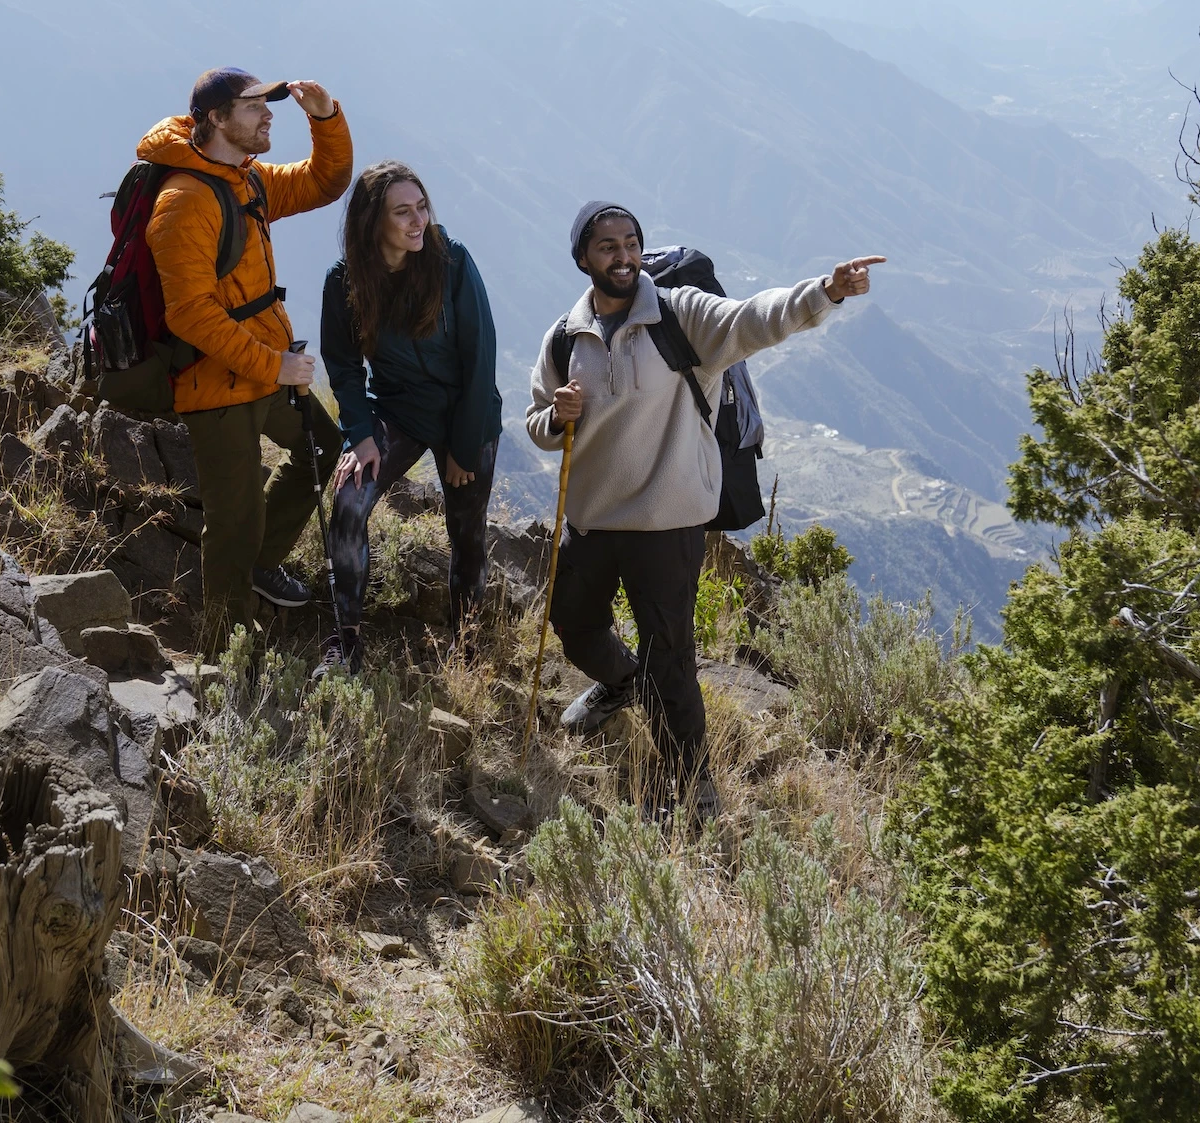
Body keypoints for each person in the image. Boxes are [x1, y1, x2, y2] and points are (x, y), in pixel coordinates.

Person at [525, 200, 883, 820]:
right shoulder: (565, 336)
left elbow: (754, 318)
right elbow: (537, 423)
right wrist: (557, 416)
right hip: (592, 519)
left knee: (670, 658)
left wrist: (825, 292)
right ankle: (622, 682)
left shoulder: (681, 315)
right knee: (573, 622)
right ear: (583, 258)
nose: (624, 256)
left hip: (667, 523)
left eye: (631, 243)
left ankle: (692, 785)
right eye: (608, 246)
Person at [138, 68, 351, 652]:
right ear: (216, 118)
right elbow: (190, 315)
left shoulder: (245, 179)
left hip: (259, 369)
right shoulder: (184, 201)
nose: (269, 114)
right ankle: (225, 651)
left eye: (268, 103)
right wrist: (275, 366)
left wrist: (325, 118)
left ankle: (260, 565)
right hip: (215, 383)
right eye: (254, 106)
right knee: (234, 523)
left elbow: (324, 182)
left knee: (322, 447)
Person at [316, 161, 502, 677]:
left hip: (466, 412)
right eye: (403, 212)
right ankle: (347, 642)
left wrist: (463, 446)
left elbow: (480, 357)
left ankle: (465, 652)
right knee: (348, 500)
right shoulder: (345, 281)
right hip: (397, 410)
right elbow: (344, 367)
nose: (419, 220)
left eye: (421, 207)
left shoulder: (451, 261)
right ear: (372, 220)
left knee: (466, 531)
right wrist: (360, 436)